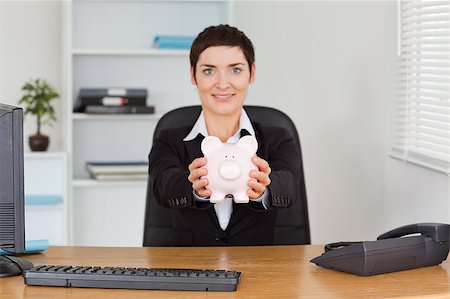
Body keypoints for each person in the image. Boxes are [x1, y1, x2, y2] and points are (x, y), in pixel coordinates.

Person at [148, 24, 301, 246]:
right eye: (209, 70)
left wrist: (263, 188)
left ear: (252, 73)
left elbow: (288, 186)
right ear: (193, 75)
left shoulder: (279, 136)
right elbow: (164, 186)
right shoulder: (169, 138)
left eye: (235, 69)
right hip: (190, 266)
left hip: (260, 265)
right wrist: (194, 188)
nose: (222, 84)